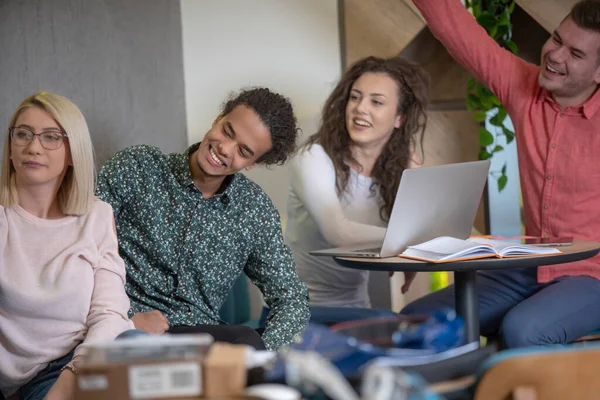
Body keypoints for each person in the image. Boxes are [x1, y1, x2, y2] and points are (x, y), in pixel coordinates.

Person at [402, 0, 600, 347]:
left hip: (593, 276)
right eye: (556, 39)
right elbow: (454, 27)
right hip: (530, 268)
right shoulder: (521, 86)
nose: (554, 54)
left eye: (576, 53)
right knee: (416, 324)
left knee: (523, 330)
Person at [95, 87, 310, 351]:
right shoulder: (138, 168)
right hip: (126, 329)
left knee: (248, 341)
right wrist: (122, 321)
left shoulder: (254, 211)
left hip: (197, 338)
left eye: (243, 151)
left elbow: (292, 298)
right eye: (227, 132)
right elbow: (78, 246)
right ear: (218, 118)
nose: (224, 149)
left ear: (253, 163)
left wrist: (263, 355)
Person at [0, 92, 134, 400]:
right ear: (10, 147)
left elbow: (111, 312)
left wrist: (76, 372)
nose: (33, 147)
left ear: (73, 153)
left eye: (51, 137)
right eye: (23, 134)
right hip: (30, 377)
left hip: (88, 355)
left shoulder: (97, 216)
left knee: (151, 361)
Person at [278, 56, 429, 321]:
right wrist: (406, 241)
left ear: (399, 118)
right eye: (355, 97)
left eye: (377, 102)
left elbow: (422, 228)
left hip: (356, 310)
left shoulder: (395, 171)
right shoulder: (314, 158)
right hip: (297, 314)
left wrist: (413, 176)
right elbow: (340, 233)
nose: (360, 109)